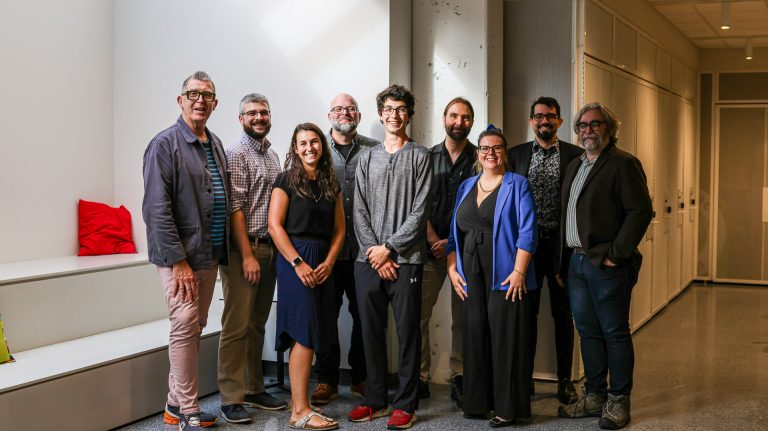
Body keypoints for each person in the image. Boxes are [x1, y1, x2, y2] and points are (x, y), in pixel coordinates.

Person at [558, 103, 652, 430]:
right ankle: (595, 394)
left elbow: (640, 211)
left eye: (595, 124)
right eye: (582, 125)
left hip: (606, 265)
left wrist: (616, 253)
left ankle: (618, 399)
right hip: (576, 263)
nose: (588, 130)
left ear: (609, 128)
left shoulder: (623, 164)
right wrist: (562, 261)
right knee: (587, 332)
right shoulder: (575, 165)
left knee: (614, 332)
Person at [142, 71, 226, 431]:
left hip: (211, 252)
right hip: (183, 257)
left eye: (207, 95)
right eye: (193, 94)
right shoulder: (164, 144)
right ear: (180, 100)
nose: (200, 100)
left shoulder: (215, 142)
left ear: (215, 103)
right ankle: (189, 413)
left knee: (195, 325)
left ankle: (174, 406)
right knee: (184, 324)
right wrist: (177, 261)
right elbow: (156, 208)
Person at [347, 85, 432, 430]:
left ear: (409, 114)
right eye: (389, 109)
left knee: (408, 333)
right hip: (367, 261)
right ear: (380, 114)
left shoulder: (420, 155)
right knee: (370, 331)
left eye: (401, 109)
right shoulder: (367, 157)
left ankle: (406, 404)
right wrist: (375, 253)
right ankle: (375, 400)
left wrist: (391, 249)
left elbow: (420, 210)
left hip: (406, 260)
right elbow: (359, 210)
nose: (395, 115)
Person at [447, 128, 538, 428]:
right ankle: (477, 402)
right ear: (478, 153)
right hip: (470, 272)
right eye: (485, 148)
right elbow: (454, 234)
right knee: (474, 335)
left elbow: (527, 231)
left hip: (506, 273)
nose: (490, 153)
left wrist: (519, 272)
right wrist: (452, 269)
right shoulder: (467, 185)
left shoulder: (517, 184)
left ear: (505, 152)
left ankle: (506, 408)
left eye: (497, 148)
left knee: (505, 339)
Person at [268, 123, 345, 431]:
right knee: (303, 332)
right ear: (295, 148)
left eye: (315, 142)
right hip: (293, 260)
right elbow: (275, 227)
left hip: (323, 261)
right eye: (303, 143)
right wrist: (298, 262)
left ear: (322, 146)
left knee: (316, 331)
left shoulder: (330, 183)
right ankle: (299, 411)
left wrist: (328, 261)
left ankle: (301, 404)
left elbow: (340, 229)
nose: (310, 147)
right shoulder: (285, 180)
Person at [507, 97, 583, 404]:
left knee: (563, 315)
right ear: (530, 121)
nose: (544, 121)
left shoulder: (576, 156)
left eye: (551, 116)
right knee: (526, 313)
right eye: (538, 116)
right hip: (526, 246)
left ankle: (565, 380)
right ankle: (524, 378)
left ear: (560, 121)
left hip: (561, 247)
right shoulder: (516, 155)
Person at [217, 93, 287, 424]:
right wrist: (247, 255)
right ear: (240, 118)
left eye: (263, 112)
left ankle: (253, 387)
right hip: (245, 251)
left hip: (270, 249)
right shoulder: (236, 155)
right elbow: (235, 209)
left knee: (257, 323)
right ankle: (231, 397)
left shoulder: (272, 156)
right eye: (252, 113)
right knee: (236, 326)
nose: (259, 117)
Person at [311, 93, 379, 405]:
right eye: (338, 108)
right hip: (327, 252)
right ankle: (325, 379)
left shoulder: (374, 150)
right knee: (325, 317)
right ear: (329, 115)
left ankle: (361, 376)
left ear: (359, 115)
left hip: (365, 250)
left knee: (364, 315)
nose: (345, 112)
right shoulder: (315, 149)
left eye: (350, 108)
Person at [420, 97, 476, 404]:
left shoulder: (481, 159)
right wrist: (433, 241)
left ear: (471, 122)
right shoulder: (426, 157)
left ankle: (460, 376)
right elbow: (417, 205)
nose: (459, 121)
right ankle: (419, 377)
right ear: (444, 118)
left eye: (465, 117)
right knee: (417, 315)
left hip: (465, 253)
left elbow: (481, 208)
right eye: (453, 115)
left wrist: (453, 243)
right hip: (429, 250)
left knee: (463, 318)